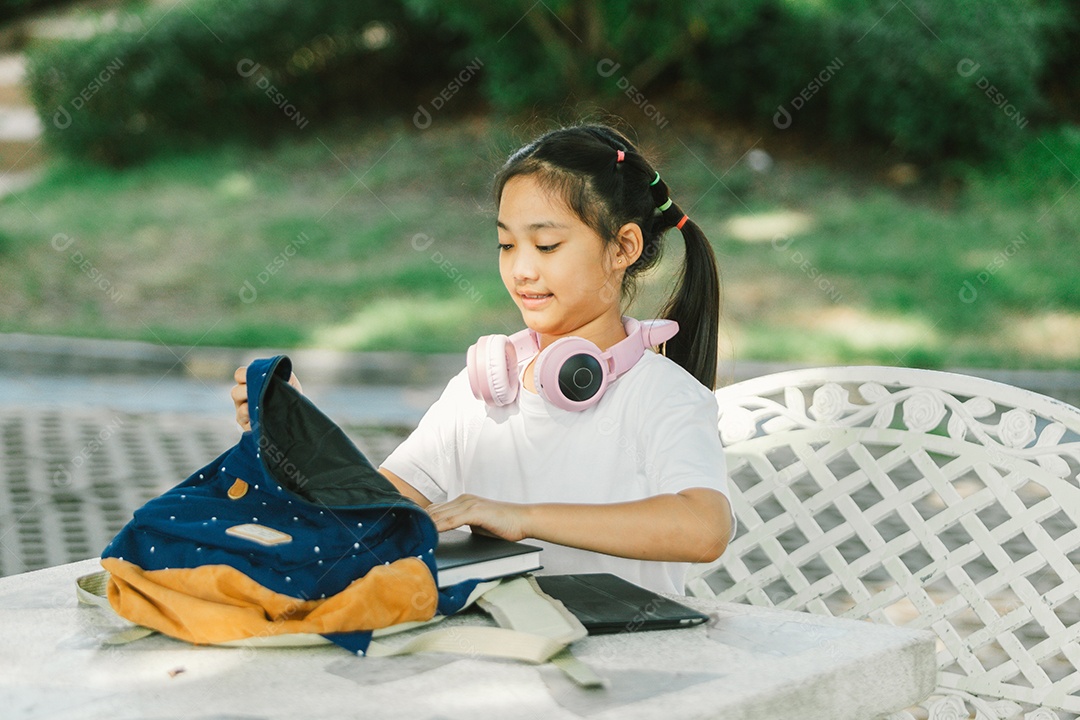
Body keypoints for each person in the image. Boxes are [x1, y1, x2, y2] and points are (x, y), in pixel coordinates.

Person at [232, 123, 734, 595]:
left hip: (634, 669)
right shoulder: (482, 391)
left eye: (546, 244)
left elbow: (704, 529)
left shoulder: (664, 395)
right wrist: (299, 441)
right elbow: (372, 519)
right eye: (506, 244)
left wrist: (523, 517)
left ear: (623, 246)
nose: (521, 269)